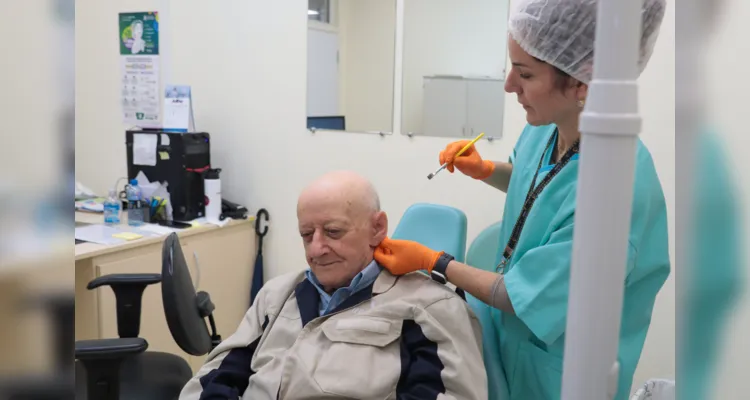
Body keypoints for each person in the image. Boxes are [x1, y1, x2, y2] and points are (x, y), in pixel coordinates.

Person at [373, 0, 670, 399]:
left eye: (525, 73)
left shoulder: (617, 191)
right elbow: (541, 186)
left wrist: (434, 261)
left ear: (583, 83)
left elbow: (518, 295)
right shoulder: (548, 127)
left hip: (561, 375)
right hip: (509, 348)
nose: (509, 84)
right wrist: (486, 170)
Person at [178, 171, 487, 400]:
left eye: (333, 232)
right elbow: (215, 377)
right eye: (306, 234)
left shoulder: (429, 306)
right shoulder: (278, 295)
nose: (316, 249)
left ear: (377, 228)